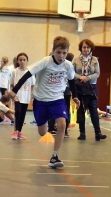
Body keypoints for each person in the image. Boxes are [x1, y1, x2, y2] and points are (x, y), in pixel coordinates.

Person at [9, 36, 80, 168]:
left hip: (57, 99)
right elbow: (28, 74)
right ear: (53, 50)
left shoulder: (68, 65)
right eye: (58, 52)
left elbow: (71, 80)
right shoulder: (45, 62)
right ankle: (45, 124)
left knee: (62, 124)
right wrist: (15, 90)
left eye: (64, 53)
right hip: (41, 100)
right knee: (42, 132)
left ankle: (55, 156)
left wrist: (75, 96)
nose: (61, 56)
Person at [73, 39, 107, 141]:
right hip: (79, 87)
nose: (86, 49)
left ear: (91, 48)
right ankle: (82, 133)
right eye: (84, 47)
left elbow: (97, 73)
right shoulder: (75, 60)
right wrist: (80, 77)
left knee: (94, 110)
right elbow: (71, 73)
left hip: (92, 87)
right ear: (81, 48)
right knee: (81, 111)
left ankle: (98, 133)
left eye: (88, 47)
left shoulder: (95, 60)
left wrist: (88, 77)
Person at [48, 52, 74, 138]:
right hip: (57, 92)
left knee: (64, 111)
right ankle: (54, 128)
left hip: (64, 92)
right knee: (58, 110)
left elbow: (72, 79)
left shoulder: (68, 66)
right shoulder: (56, 66)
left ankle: (62, 129)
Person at [10, 53, 35, 140]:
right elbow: (12, 84)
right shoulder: (14, 71)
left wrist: (32, 97)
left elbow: (32, 85)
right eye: (20, 60)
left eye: (24, 60)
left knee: (23, 114)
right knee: (18, 112)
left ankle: (19, 131)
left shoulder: (30, 72)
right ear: (17, 61)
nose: (22, 61)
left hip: (26, 96)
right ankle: (15, 131)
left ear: (27, 61)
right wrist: (13, 95)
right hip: (17, 96)